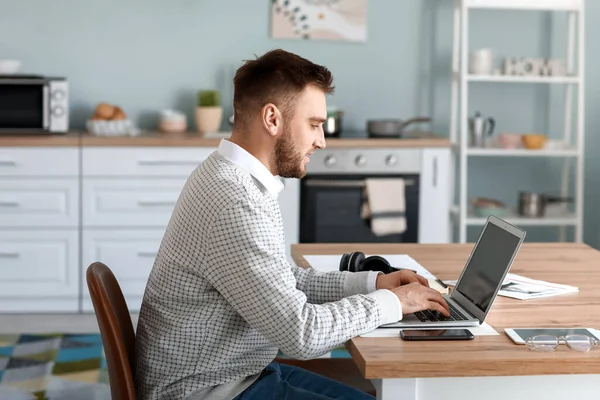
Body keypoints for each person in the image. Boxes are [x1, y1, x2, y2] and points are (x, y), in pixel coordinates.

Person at [134, 48, 450, 400]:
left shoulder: (230, 175)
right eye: (314, 124)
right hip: (208, 391)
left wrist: (373, 282)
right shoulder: (235, 200)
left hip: (238, 374)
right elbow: (302, 334)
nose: (322, 140)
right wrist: (393, 301)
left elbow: (280, 281)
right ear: (272, 119)